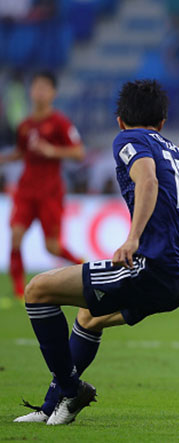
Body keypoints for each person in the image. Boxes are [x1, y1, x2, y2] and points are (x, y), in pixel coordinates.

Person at [13, 79, 179, 425]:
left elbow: (148, 180)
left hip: (150, 268)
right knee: (89, 317)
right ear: (163, 123)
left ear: (120, 119)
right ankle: (52, 409)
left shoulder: (129, 139)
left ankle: (69, 388)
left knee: (37, 291)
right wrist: (173, 249)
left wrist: (134, 238)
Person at [0, 71, 84, 298]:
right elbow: (20, 152)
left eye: (44, 88)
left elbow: (79, 152)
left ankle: (86, 268)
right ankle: (19, 293)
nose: (39, 92)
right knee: (15, 236)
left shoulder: (60, 123)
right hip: (26, 189)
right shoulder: (25, 125)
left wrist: (52, 150)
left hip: (50, 192)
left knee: (52, 247)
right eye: (36, 87)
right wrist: (4, 158)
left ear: (53, 93)